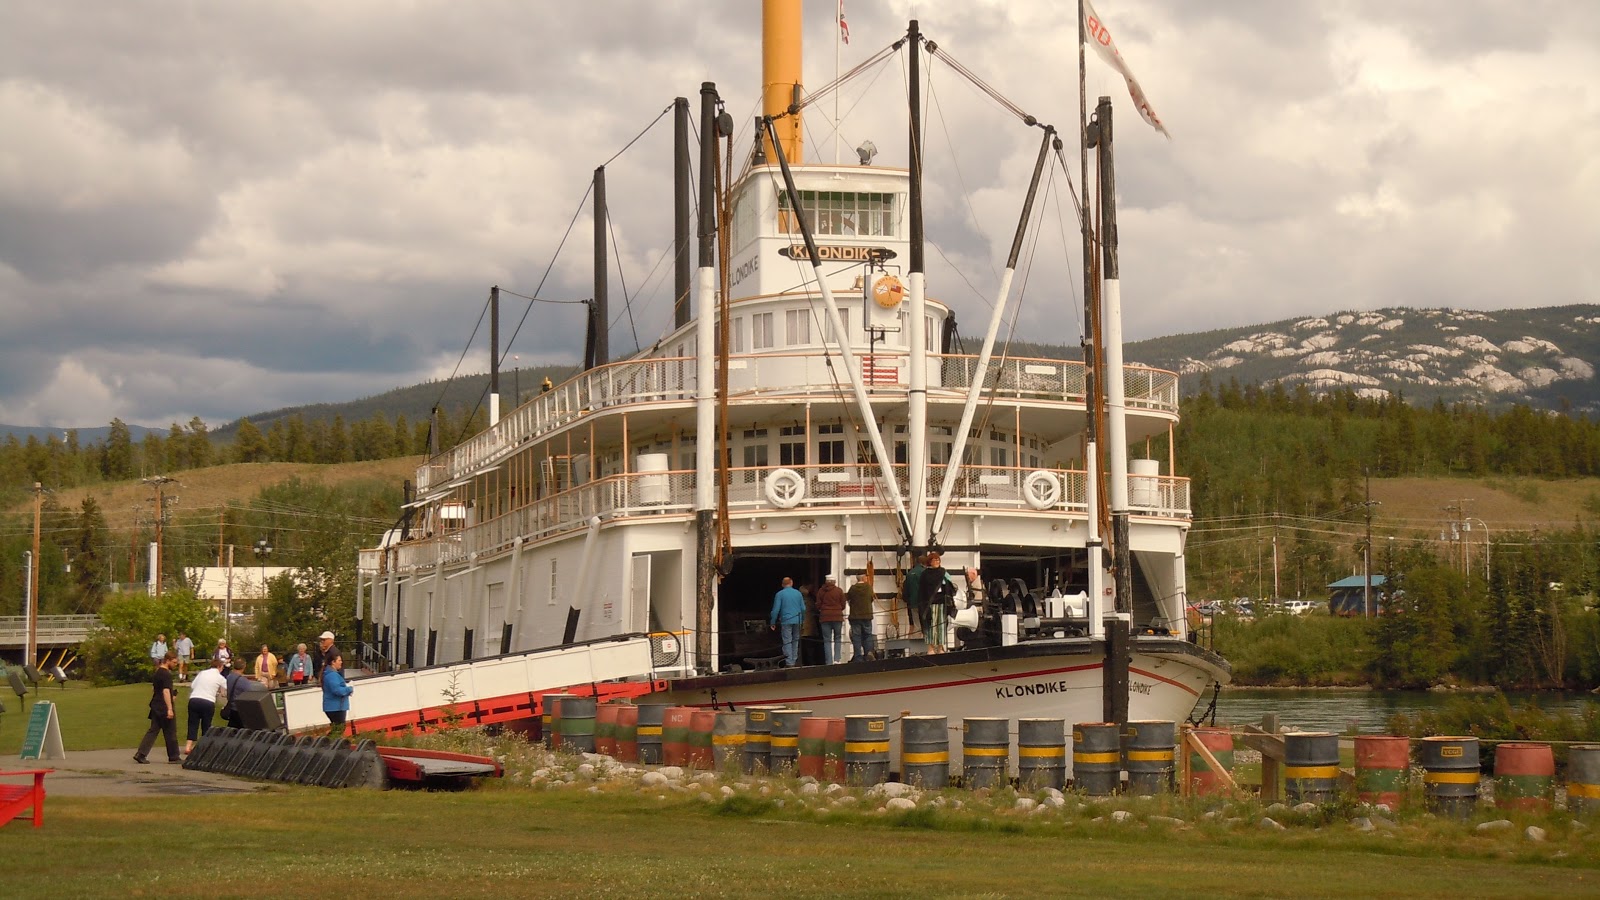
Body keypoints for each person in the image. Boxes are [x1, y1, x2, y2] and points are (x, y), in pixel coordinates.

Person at [133, 651, 180, 764]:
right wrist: (169, 708)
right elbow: (165, 691)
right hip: (163, 706)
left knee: (153, 730)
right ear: (168, 660)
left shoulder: (158, 672)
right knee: (170, 731)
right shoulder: (166, 674)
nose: (175, 665)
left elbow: (155, 689)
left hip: (155, 705)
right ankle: (174, 756)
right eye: (174, 662)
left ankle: (141, 753)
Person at [183, 657, 227, 755]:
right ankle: (203, 747)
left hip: (194, 699)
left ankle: (188, 746)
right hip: (208, 701)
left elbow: (193, 685)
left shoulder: (202, 673)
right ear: (219, 667)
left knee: (192, 724)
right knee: (206, 725)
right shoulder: (219, 677)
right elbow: (228, 687)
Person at [769, 577, 805, 667]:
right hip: (797, 619)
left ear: (782, 584)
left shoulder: (780, 594)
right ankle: (794, 659)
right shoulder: (798, 593)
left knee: (787, 641)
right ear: (791, 583)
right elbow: (803, 608)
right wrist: (802, 619)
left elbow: (776, 609)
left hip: (786, 620)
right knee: (795, 640)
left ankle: (789, 662)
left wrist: (773, 621)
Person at [320, 648, 354, 738]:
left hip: (334, 706)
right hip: (336, 707)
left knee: (337, 729)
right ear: (333, 662)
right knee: (339, 729)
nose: (341, 662)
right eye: (339, 660)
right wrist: (349, 689)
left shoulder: (329, 674)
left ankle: (328, 744)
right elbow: (337, 690)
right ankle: (328, 744)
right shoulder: (332, 675)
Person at [815, 574, 847, 664]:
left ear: (826, 581)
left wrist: (823, 609)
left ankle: (828, 661)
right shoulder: (839, 591)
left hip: (825, 617)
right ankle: (837, 659)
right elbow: (843, 604)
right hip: (837, 617)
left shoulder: (821, 591)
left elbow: (818, 604)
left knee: (827, 640)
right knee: (837, 638)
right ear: (834, 581)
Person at [846, 571, 877, 662]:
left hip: (855, 617)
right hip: (867, 616)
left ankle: (858, 657)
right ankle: (868, 654)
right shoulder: (868, 587)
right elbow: (872, 598)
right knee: (868, 635)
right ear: (864, 578)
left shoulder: (852, 588)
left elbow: (848, 599)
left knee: (856, 637)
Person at [903, 555, 927, 638]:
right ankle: (927, 647)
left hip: (912, 603)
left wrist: (907, 600)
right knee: (926, 625)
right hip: (924, 603)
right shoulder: (925, 572)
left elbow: (905, 589)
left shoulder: (909, 574)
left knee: (916, 626)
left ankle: (916, 648)